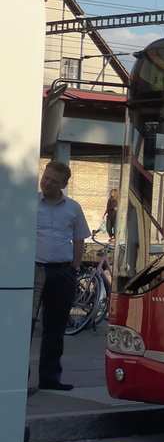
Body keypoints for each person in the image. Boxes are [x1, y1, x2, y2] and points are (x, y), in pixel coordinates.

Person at [31, 160, 90, 393]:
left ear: (64, 184)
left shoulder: (73, 208)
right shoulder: (29, 203)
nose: (46, 183)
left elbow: (79, 239)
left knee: (55, 328)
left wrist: (74, 268)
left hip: (62, 272)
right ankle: (17, 378)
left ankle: (49, 378)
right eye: (45, 178)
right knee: (25, 326)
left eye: (53, 181)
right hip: (33, 270)